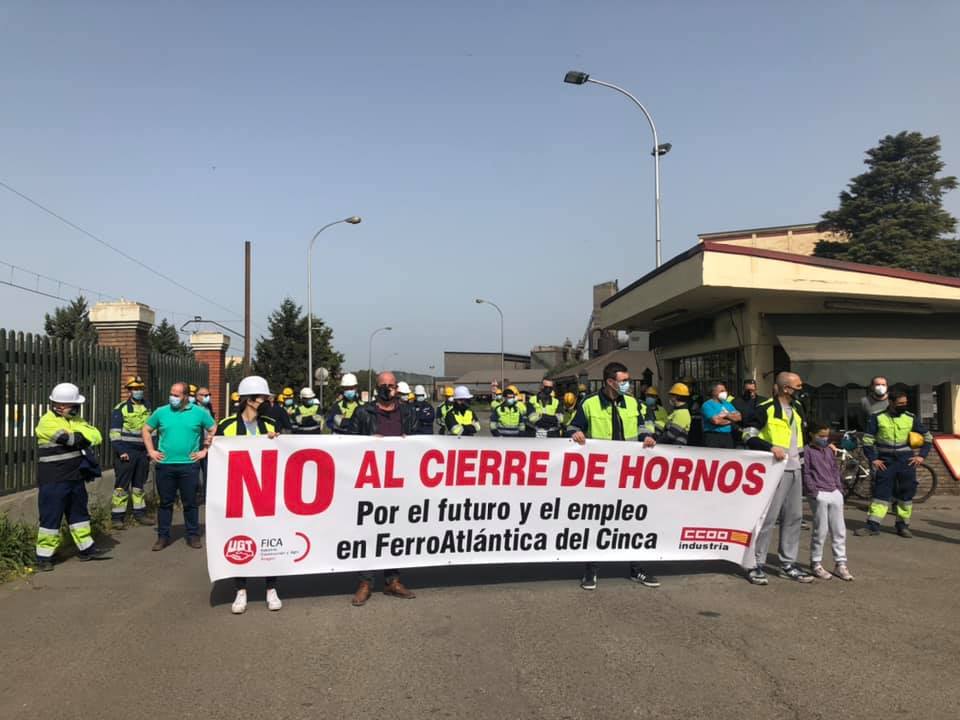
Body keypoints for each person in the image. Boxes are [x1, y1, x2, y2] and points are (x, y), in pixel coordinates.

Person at [568, 362, 658, 591]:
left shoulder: (633, 403)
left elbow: (643, 427)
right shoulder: (589, 403)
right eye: (624, 381)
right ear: (610, 382)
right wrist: (576, 433)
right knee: (597, 520)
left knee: (634, 520)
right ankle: (591, 569)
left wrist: (647, 437)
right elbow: (572, 427)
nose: (628, 384)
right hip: (601, 475)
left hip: (630, 473)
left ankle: (637, 568)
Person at [214, 376, 282, 614]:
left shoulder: (270, 425)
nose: (266, 402)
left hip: (266, 491)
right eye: (262, 398)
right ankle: (240, 590)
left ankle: (271, 588)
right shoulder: (226, 425)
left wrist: (277, 441)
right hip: (238, 492)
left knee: (269, 538)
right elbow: (218, 455)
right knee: (240, 540)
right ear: (249, 400)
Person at [349, 371, 418, 606]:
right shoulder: (363, 413)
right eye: (383, 385)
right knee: (368, 532)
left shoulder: (408, 412)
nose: (387, 389)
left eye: (391, 385)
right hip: (370, 483)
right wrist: (368, 440)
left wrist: (411, 441)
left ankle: (392, 580)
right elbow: (347, 443)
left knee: (395, 532)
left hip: (399, 483)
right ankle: (365, 582)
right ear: (376, 388)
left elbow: (421, 442)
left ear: (396, 388)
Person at [742, 372, 814, 584]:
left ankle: (787, 564)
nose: (801, 390)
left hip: (795, 468)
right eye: (798, 386)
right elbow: (747, 435)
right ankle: (755, 563)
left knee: (794, 517)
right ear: (786, 388)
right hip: (773, 471)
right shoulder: (765, 409)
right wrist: (770, 447)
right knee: (768, 518)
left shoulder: (798, 408)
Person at [34, 383, 111, 571]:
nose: (75, 408)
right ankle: (44, 557)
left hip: (74, 475)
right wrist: (80, 437)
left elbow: (96, 436)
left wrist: (80, 437)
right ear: (58, 405)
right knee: (51, 517)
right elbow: (70, 439)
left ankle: (86, 549)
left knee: (79, 514)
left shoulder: (76, 419)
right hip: (53, 477)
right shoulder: (46, 421)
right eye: (73, 405)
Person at [143, 382, 216, 551]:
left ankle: (193, 535)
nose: (172, 398)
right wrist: (151, 451)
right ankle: (163, 536)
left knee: (190, 502)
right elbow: (146, 429)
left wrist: (205, 450)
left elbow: (213, 428)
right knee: (165, 503)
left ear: (185, 397)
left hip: (189, 465)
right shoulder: (161, 412)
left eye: (176, 395)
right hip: (165, 465)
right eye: (171, 394)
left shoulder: (199, 412)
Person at [855, 389, 933, 538]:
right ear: (890, 402)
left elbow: (928, 438)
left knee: (906, 494)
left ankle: (902, 526)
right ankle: (872, 526)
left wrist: (921, 456)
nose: (904, 406)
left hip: (906, 462)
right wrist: (873, 459)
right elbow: (868, 440)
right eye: (900, 403)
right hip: (886, 462)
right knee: (880, 494)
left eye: (905, 403)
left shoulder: (910, 417)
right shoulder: (877, 417)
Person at [803, 421, 854, 581]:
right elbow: (806, 472)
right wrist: (814, 492)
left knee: (839, 530)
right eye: (821, 436)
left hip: (833, 491)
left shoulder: (828, 450)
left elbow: (834, 469)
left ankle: (841, 563)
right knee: (821, 530)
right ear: (812, 435)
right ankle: (816, 563)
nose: (825, 439)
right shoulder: (806, 451)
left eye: (827, 436)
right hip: (819, 493)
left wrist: (839, 489)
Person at [108, 376, 154, 529]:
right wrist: (121, 450)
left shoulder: (148, 407)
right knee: (121, 486)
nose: (138, 391)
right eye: (135, 389)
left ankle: (140, 514)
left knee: (139, 485)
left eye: (140, 388)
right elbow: (114, 433)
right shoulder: (120, 408)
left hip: (143, 452)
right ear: (129, 391)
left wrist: (151, 449)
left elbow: (153, 430)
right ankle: (117, 517)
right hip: (127, 451)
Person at [700, 382, 742, 450]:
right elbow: (715, 421)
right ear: (713, 392)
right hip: (713, 436)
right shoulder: (707, 405)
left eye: (725, 390)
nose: (725, 392)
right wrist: (731, 420)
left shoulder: (728, 404)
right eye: (722, 391)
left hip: (727, 436)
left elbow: (738, 417)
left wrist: (726, 415)